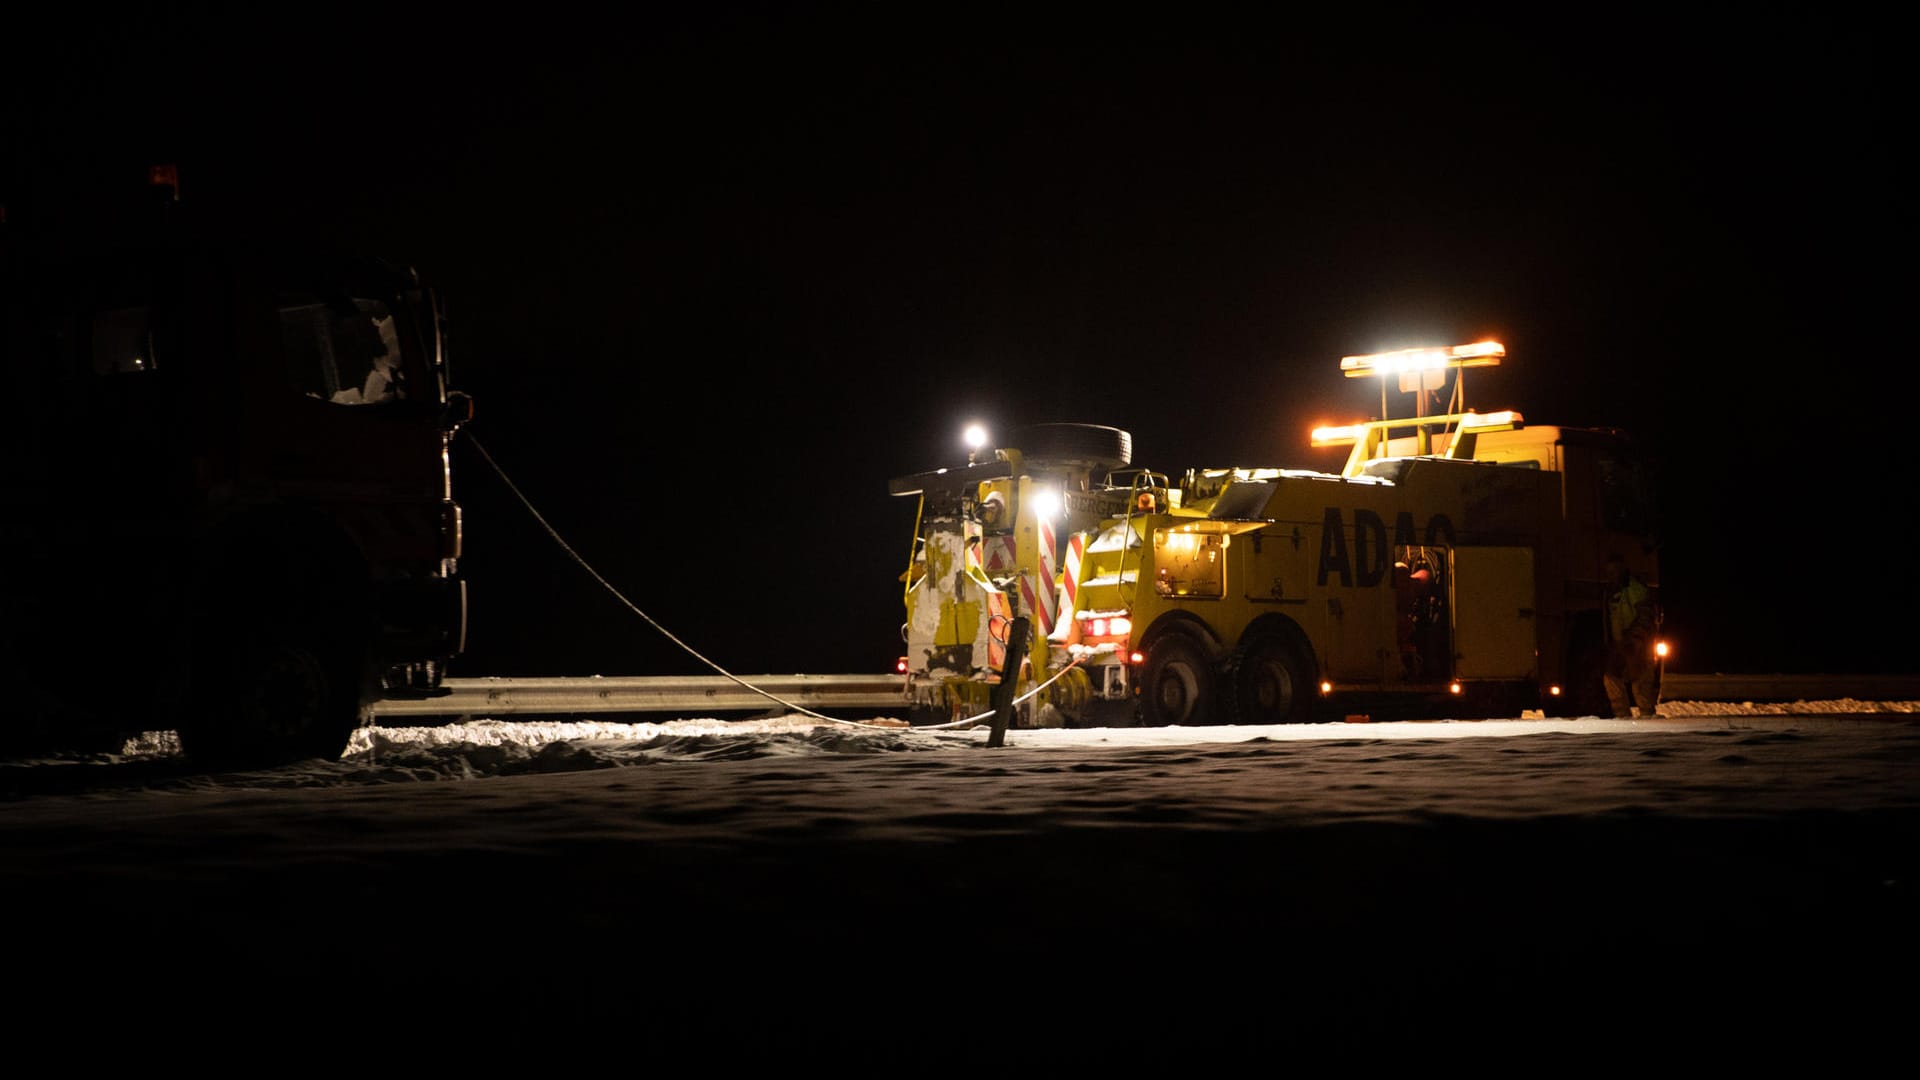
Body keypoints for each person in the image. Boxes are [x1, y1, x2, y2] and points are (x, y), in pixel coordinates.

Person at [1601, 552, 1660, 718]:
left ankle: (1647, 717)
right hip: (1622, 643)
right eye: (1609, 571)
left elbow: (1645, 616)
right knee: (1611, 677)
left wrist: (1634, 638)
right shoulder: (1611, 591)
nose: (1610, 575)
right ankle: (1622, 717)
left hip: (1638, 644)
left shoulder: (1635, 589)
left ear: (1621, 570)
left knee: (1640, 683)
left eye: (1613, 571)